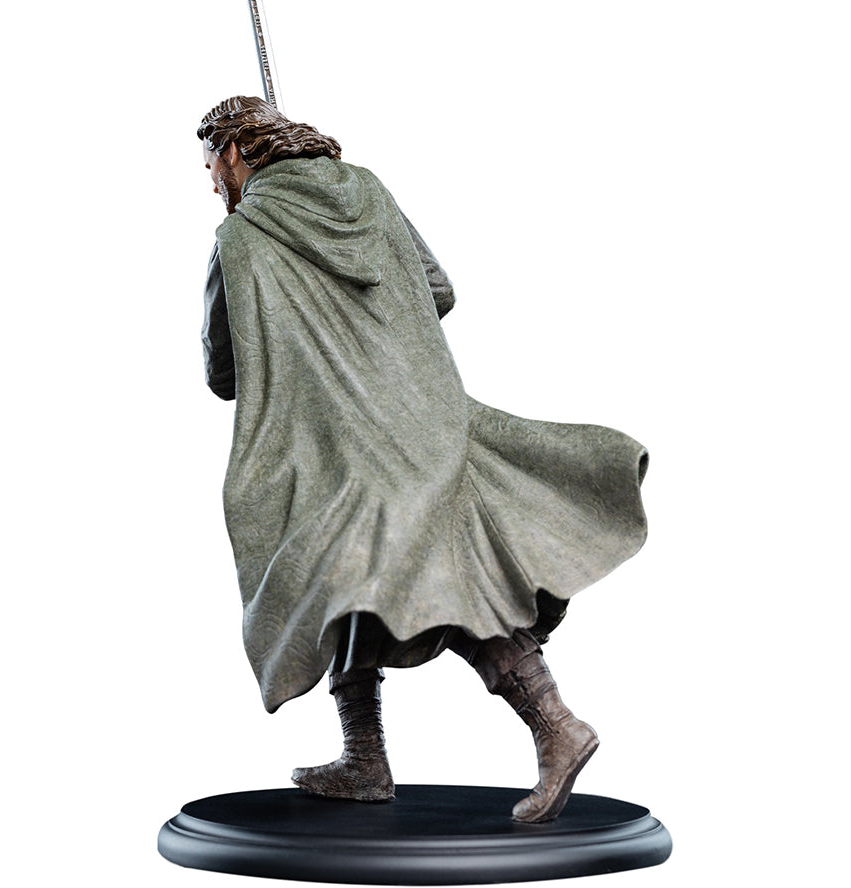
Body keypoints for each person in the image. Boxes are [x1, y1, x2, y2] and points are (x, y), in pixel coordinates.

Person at [198, 96, 649, 822]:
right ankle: (364, 757)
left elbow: (223, 372)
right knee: (348, 579)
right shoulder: (367, 189)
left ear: (235, 151)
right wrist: (375, 316)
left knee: (434, 584)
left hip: (344, 445)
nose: (211, 180)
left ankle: (557, 726)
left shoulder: (241, 236)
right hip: (424, 423)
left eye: (210, 164)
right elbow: (438, 290)